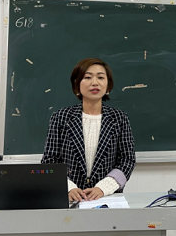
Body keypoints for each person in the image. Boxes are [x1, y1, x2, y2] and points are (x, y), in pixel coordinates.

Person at [41, 58, 136, 203]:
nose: (95, 83)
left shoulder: (119, 118)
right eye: (87, 77)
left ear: (108, 85)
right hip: (69, 198)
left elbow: (127, 160)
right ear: (77, 84)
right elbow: (49, 161)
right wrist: (69, 188)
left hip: (107, 198)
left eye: (100, 77)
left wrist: (103, 188)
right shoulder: (61, 117)